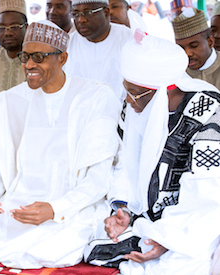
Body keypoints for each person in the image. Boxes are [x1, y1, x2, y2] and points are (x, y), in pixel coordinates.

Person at [0, 20, 121, 269]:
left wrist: (55, 208)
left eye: (39, 57)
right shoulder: (14, 99)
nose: (29, 65)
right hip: (18, 203)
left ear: (63, 58)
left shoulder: (94, 97)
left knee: (56, 246)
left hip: (68, 207)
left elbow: (98, 179)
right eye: (26, 57)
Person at [85, 30, 220, 274]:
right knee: (86, 241)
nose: (127, 99)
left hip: (196, 221)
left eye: (134, 92)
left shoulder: (208, 114)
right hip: (148, 218)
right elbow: (124, 164)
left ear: (162, 92)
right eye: (125, 89)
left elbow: (208, 195)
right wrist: (123, 209)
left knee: (179, 266)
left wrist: (166, 239)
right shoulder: (135, 107)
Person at [64, 0, 132, 102]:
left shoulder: (128, 40)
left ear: (106, 12)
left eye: (88, 13)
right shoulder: (67, 44)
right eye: (76, 14)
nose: (81, 19)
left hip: (121, 115)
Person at [0, 0, 28, 96]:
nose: (7, 33)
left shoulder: (37, 61)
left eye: (15, 27)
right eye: (1, 28)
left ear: (26, 27)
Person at [173, 7, 220, 90]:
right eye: (181, 47)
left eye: (194, 46)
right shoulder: (176, 74)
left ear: (210, 42)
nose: (187, 53)